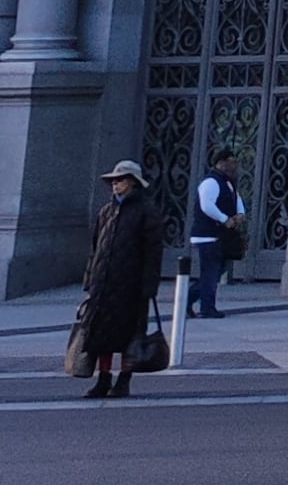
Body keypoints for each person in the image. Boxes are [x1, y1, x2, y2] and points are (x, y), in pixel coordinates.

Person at [73, 161, 164, 400]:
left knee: (129, 335)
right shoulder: (106, 211)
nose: (115, 184)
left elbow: (153, 252)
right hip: (103, 285)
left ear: (133, 182)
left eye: (120, 180)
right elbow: (95, 248)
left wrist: (148, 286)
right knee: (101, 336)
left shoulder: (146, 211)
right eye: (113, 181)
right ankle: (103, 379)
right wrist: (89, 279)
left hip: (131, 287)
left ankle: (124, 380)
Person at [184, 164, 239, 318]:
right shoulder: (211, 182)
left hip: (218, 236)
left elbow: (236, 199)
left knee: (214, 273)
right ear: (219, 163)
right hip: (206, 235)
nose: (233, 167)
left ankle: (190, 302)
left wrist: (240, 213)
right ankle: (204, 306)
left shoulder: (227, 182)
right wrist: (225, 219)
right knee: (211, 273)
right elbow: (207, 206)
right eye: (229, 162)